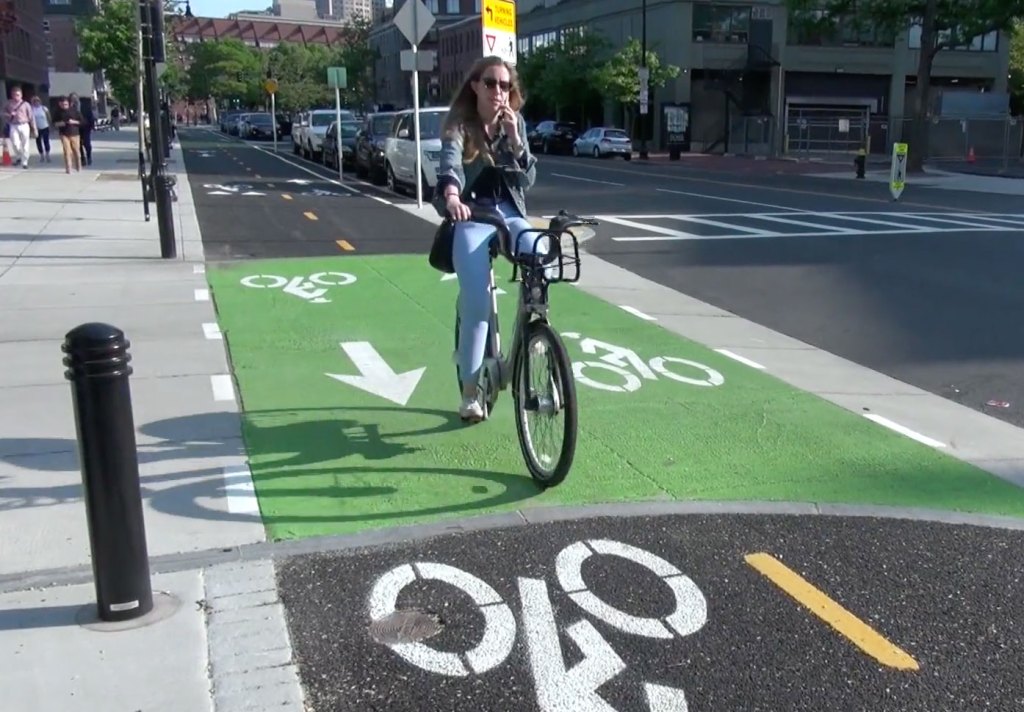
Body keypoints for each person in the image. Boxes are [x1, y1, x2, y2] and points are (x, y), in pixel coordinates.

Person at [432, 55, 542, 423]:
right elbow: (449, 166)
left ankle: (535, 337)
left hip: (509, 213)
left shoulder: (516, 124)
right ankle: (470, 392)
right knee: (477, 304)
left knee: (539, 253)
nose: (499, 91)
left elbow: (527, 181)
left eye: (506, 85)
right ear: (475, 86)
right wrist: (451, 197)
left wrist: (514, 140)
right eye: (491, 83)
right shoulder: (460, 126)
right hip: (473, 215)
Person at [2, 85, 37, 169]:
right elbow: (2, 112)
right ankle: (19, 156)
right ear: (12, 95)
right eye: (14, 95)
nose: (16, 97)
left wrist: (34, 128)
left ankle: (25, 162)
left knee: (25, 144)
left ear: (21, 95)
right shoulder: (8, 103)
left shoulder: (26, 104)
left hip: (24, 125)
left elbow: (31, 117)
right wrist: (9, 114)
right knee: (15, 143)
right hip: (13, 125)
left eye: (18, 95)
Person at [52, 95, 83, 174]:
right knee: (67, 151)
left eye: (65, 104)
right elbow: (54, 123)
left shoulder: (74, 111)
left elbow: (82, 122)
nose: (64, 106)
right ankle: (68, 168)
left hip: (75, 133)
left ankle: (78, 166)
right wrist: (60, 123)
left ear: (69, 104)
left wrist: (74, 122)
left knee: (76, 150)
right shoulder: (57, 112)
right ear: (59, 104)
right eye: (62, 104)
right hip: (64, 134)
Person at [31, 96, 51, 163]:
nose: (36, 102)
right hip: (37, 128)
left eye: (38, 101)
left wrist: (50, 125)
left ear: (40, 102)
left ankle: (47, 154)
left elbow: (49, 117)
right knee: (38, 142)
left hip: (45, 126)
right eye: (35, 101)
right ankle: (41, 155)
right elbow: (30, 119)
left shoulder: (44, 108)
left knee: (46, 141)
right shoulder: (32, 109)